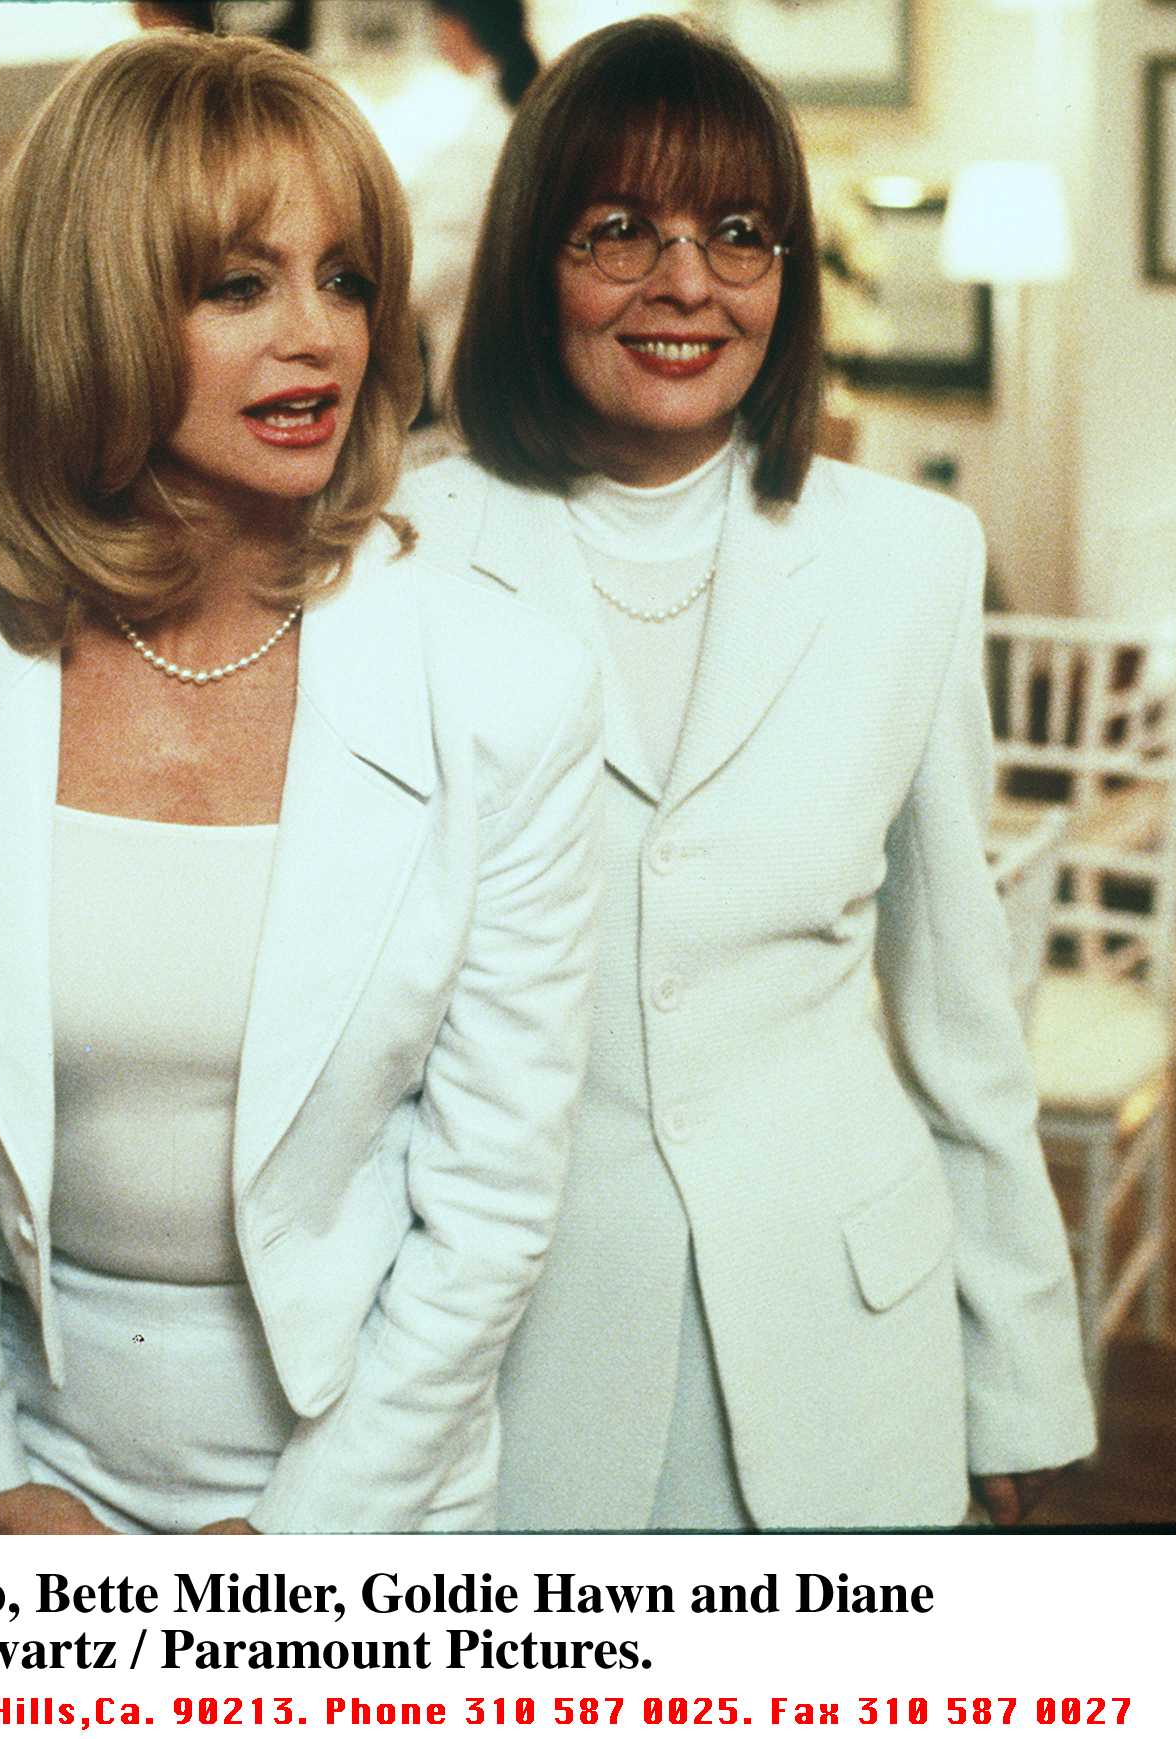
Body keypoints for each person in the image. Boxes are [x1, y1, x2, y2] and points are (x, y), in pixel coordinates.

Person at [0, 32, 601, 1535]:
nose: (316, 335)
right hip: (9, 1451)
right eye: (239, 284)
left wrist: (292, 1546)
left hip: (367, 1474)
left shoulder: (505, 682)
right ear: (91, 305)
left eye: (347, 277)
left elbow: (491, 1204)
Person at [401, 15, 1095, 1529]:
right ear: (533, 262)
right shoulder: (398, 551)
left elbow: (958, 1002)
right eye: (619, 232)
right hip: (511, 1357)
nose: (687, 284)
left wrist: (1019, 1365)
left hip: (849, 1336)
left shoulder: (913, 556)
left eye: (738, 233)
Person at [407, 0, 543, 414]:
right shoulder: (521, 103)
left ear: (459, 26)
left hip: (480, 361)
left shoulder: (479, 127)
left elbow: (431, 270)